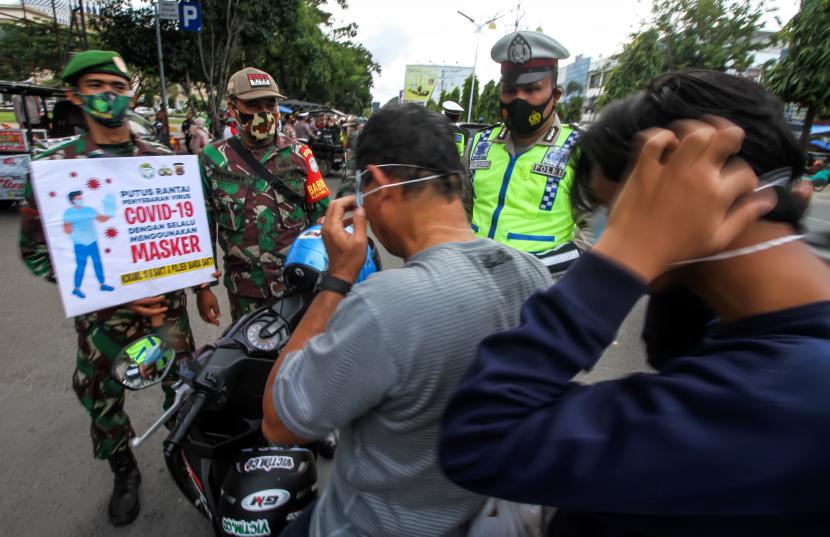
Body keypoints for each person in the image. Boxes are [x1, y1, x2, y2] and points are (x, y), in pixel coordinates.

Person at [439, 71, 830, 536]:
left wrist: (624, 256)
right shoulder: (758, 333)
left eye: (620, 212)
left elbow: (481, 437)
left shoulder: (792, 395)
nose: (612, 229)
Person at [261, 104, 552, 537]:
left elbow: (279, 424)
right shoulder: (533, 275)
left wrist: (337, 278)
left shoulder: (385, 305)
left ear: (379, 184)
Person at [18, 50, 196, 527]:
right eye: (95, 86)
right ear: (75, 95)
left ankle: (183, 451)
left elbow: (186, 236)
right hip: (103, 317)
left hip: (167, 310)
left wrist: (199, 286)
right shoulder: (56, 170)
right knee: (101, 394)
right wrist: (114, 291)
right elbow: (35, 251)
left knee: (182, 383)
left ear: (130, 94)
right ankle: (124, 470)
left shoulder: (163, 162)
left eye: (116, 87)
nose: (108, 96)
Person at [197, 67, 331, 323]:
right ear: (233, 108)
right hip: (245, 292)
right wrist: (203, 288)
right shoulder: (212, 159)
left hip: (298, 285)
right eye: (252, 104)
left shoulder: (301, 155)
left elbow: (324, 221)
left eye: (271, 104)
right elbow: (203, 227)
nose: (264, 113)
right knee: (250, 360)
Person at [468, 30, 584, 274]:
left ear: (555, 96)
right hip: (474, 287)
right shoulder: (480, 143)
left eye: (532, 89)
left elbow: (598, 235)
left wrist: (530, 269)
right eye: (510, 91)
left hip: (541, 292)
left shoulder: (580, 149)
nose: (518, 100)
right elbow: (460, 210)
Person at [63, 190, 115, 298]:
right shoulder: (68, 212)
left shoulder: (89, 210)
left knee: (97, 263)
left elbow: (102, 219)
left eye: (81, 197)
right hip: (80, 244)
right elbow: (67, 229)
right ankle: (76, 289)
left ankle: (102, 284)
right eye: (78, 198)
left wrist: (110, 210)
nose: (80, 200)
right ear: (72, 201)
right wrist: (76, 234)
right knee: (81, 266)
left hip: (92, 242)